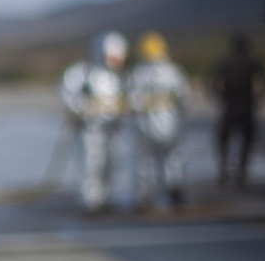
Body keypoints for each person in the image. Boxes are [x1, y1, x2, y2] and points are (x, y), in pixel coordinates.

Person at [59, 31, 129, 213]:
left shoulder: (118, 77)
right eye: (111, 57)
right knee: (92, 165)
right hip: (91, 131)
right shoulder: (83, 72)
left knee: (111, 164)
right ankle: (91, 202)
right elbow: (67, 94)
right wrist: (82, 107)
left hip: (113, 129)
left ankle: (105, 199)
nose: (115, 61)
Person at [126, 31, 190, 209]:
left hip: (144, 127)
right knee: (174, 158)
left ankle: (144, 197)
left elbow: (131, 100)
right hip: (170, 125)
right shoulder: (174, 71)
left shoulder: (137, 73)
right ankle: (175, 191)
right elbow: (184, 98)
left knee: (144, 162)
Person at [208, 32, 265, 187]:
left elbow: (211, 82)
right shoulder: (253, 62)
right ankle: (241, 171)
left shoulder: (226, 62)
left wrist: (218, 97)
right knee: (247, 140)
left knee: (224, 140)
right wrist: (260, 99)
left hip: (230, 106)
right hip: (246, 106)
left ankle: (225, 170)